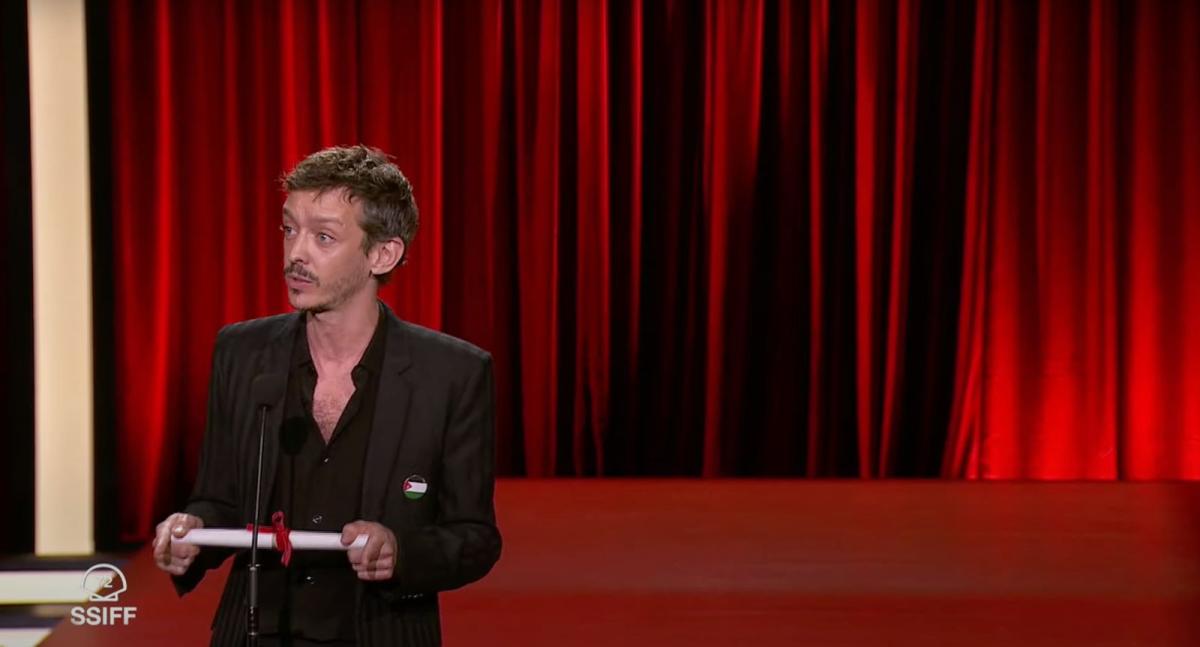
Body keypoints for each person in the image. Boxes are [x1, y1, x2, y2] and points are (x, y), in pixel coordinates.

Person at [152, 145, 501, 646]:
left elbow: (474, 537)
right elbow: (220, 498)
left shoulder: (452, 373)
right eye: (288, 229)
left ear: (382, 254)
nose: (296, 253)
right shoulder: (242, 353)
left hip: (380, 633)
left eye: (323, 237)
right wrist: (193, 531)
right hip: (256, 631)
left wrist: (399, 552)